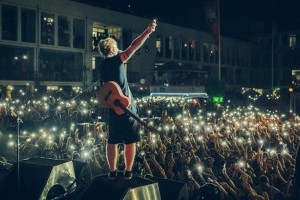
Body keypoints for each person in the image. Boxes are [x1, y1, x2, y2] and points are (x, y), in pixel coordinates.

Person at [98, 20, 157, 180]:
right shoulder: (118, 59)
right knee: (130, 141)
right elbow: (134, 45)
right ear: (112, 47)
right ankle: (128, 172)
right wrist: (147, 32)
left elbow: (103, 88)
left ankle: (112, 171)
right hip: (127, 106)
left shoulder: (102, 65)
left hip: (112, 107)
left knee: (112, 141)